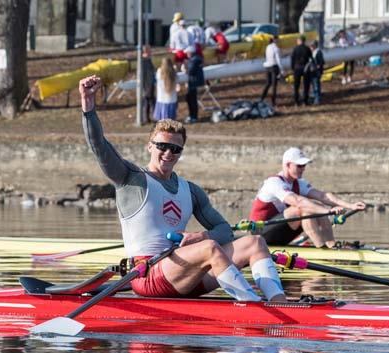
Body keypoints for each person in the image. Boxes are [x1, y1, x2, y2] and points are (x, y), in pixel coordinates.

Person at [79, 75, 286, 303]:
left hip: (184, 274)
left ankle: (279, 303)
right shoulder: (130, 178)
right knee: (209, 248)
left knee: (254, 243)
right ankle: (255, 308)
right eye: (163, 146)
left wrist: (200, 235)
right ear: (150, 146)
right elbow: (99, 146)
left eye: (175, 149)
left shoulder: (191, 190)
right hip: (148, 275)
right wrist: (88, 105)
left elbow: (224, 230)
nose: (168, 153)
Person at [249, 147, 366, 247]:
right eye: (299, 165)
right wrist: (329, 211)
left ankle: (331, 245)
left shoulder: (298, 183)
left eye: (304, 165)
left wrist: (351, 205)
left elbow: (323, 196)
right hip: (260, 235)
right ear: (288, 165)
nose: (303, 168)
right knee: (304, 209)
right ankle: (321, 248)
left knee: (317, 206)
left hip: (279, 232)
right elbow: (298, 201)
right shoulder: (274, 182)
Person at [260, 35, 284, 107]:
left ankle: (261, 98)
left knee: (268, 83)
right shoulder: (276, 48)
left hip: (267, 66)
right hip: (274, 67)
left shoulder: (268, 47)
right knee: (274, 85)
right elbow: (278, 60)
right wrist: (282, 70)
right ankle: (273, 102)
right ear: (275, 40)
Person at [290, 35, 313, 106]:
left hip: (297, 68)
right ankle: (305, 101)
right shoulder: (307, 48)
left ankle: (296, 101)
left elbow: (292, 59)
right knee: (306, 85)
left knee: (296, 86)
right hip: (305, 68)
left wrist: (293, 68)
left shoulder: (295, 49)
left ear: (299, 41)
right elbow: (311, 58)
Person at [185, 46, 204, 124]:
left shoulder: (194, 60)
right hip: (194, 82)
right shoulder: (196, 59)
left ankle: (193, 116)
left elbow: (190, 71)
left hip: (193, 83)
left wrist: (185, 67)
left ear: (190, 53)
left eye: (187, 53)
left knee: (191, 100)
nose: (186, 54)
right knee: (190, 99)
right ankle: (192, 115)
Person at [141, 45, 156, 122]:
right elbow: (147, 75)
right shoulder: (145, 61)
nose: (151, 52)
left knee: (149, 101)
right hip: (148, 85)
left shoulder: (146, 60)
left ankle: (147, 117)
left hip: (148, 84)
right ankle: (148, 117)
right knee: (149, 101)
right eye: (150, 51)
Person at [309, 40, 324, 105]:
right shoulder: (313, 52)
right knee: (314, 84)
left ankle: (317, 100)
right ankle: (316, 97)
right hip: (313, 71)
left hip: (316, 71)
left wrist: (316, 67)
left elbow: (321, 62)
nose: (310, 48)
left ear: (314, 46)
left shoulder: (318, 52)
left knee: (316, 85)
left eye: (311, 46)